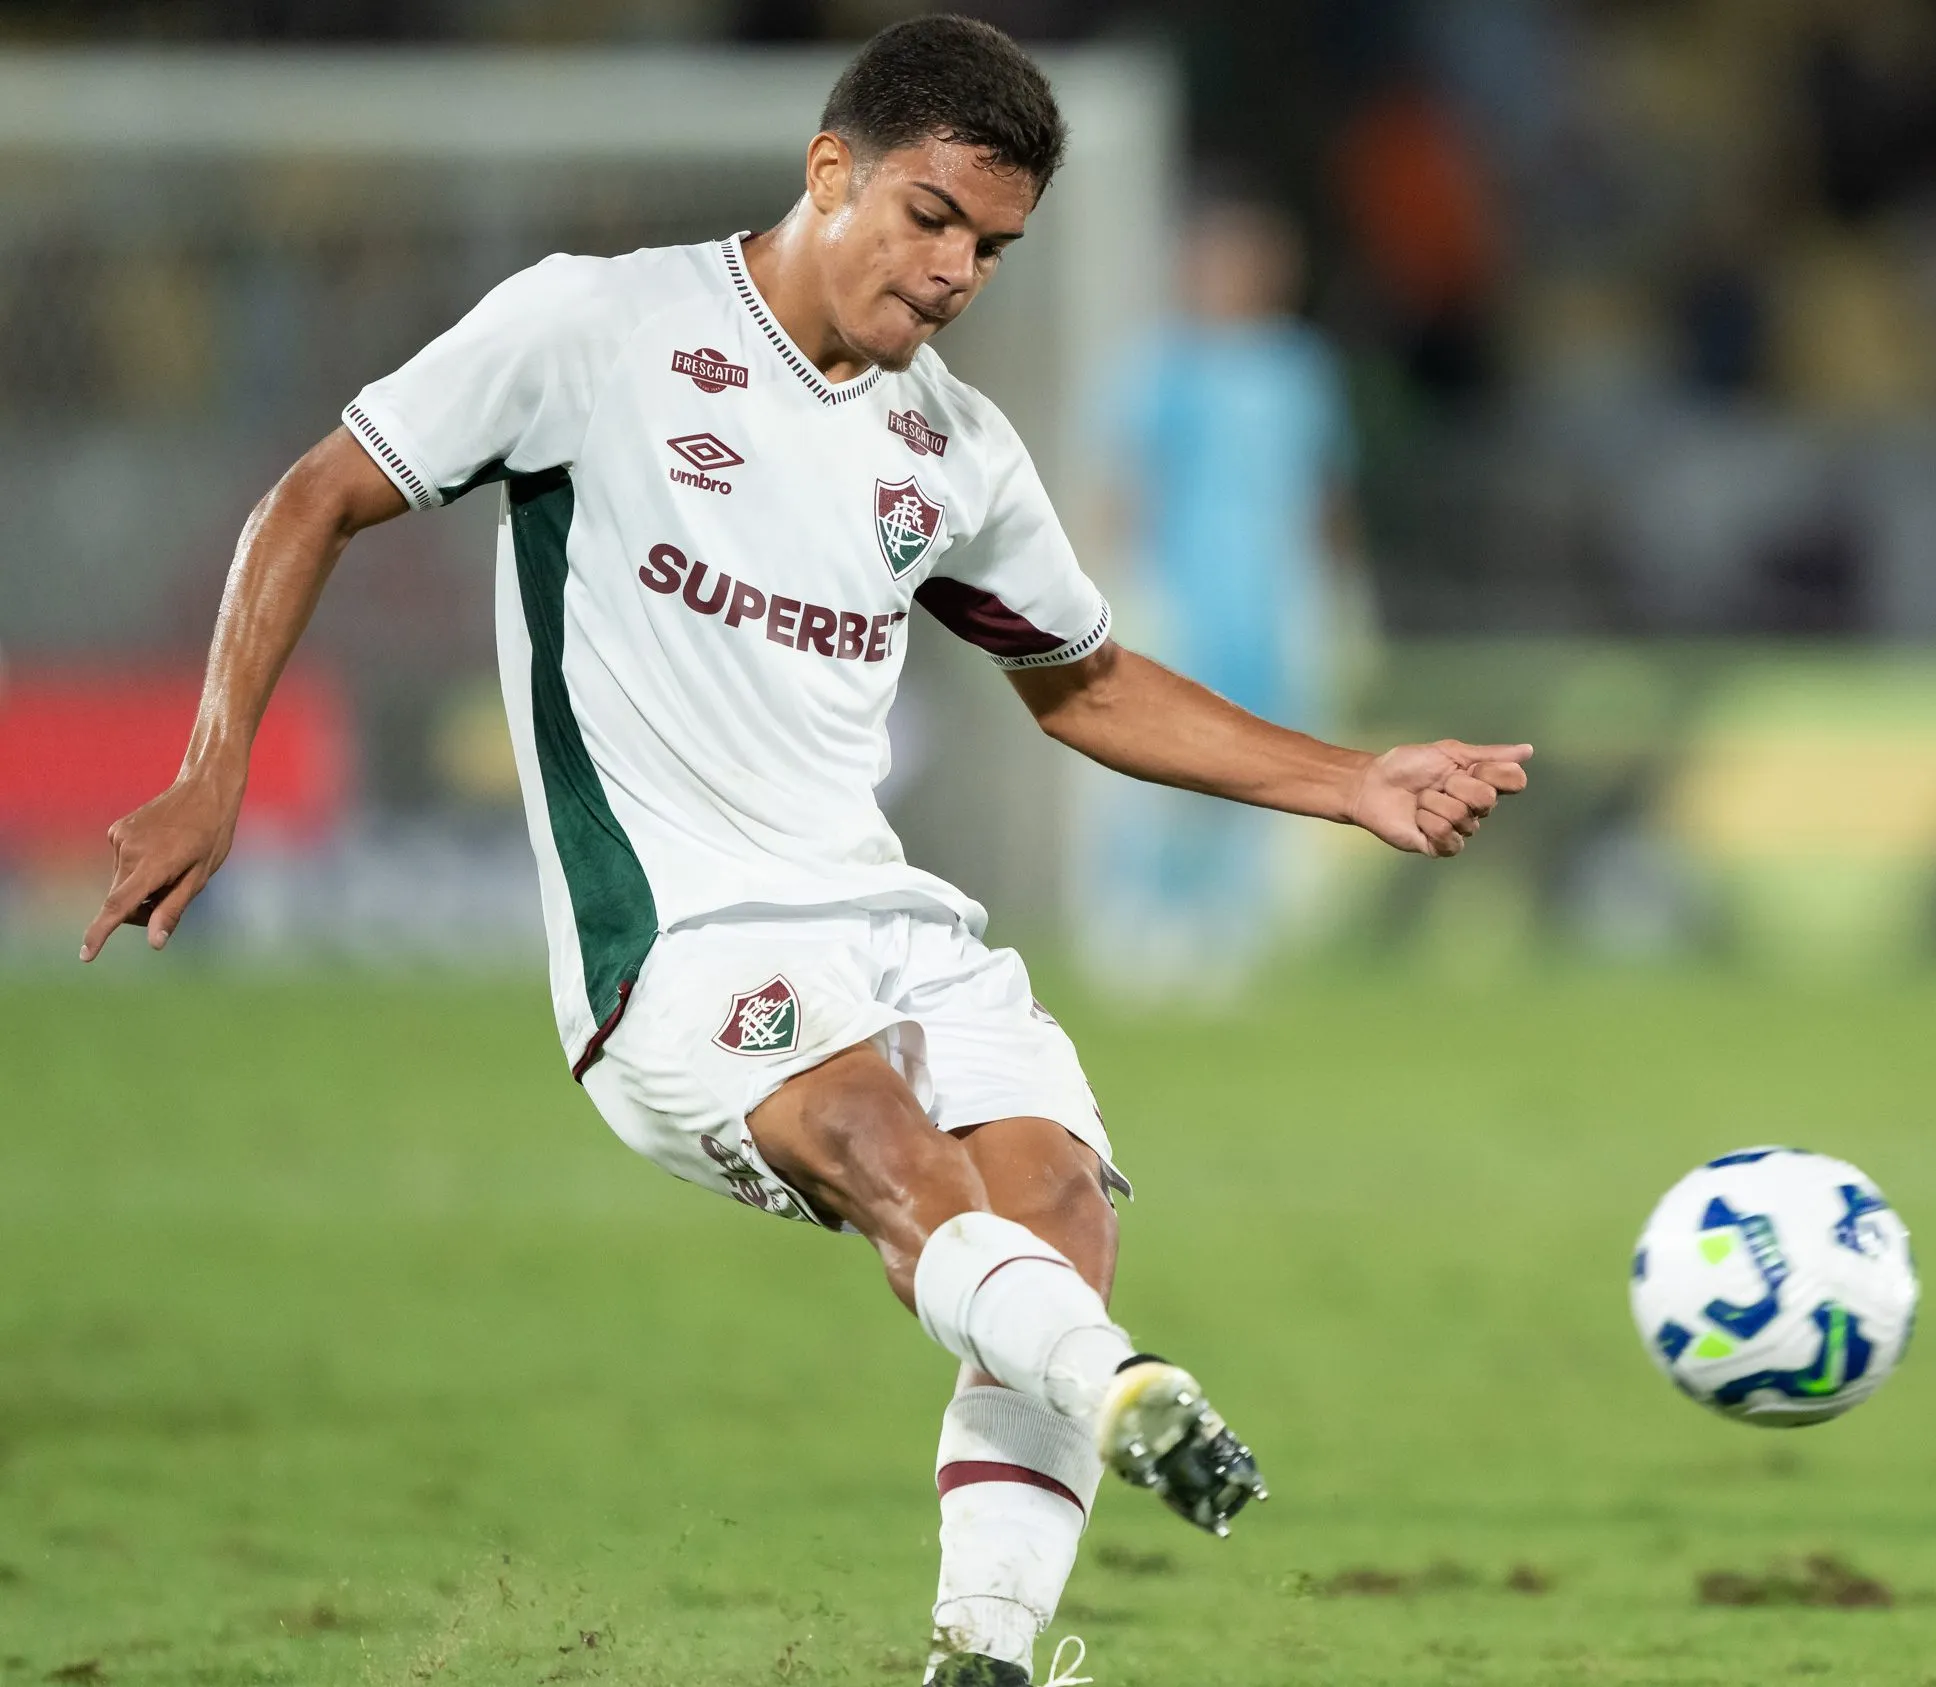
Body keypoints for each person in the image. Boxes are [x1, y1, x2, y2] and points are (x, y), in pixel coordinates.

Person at [78, 20, 1530, 1687]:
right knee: (885, 1148)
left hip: (884, 913)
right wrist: (211, 767)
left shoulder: (954, 449)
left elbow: (1084, 681)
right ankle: (1126, 1388)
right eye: (932, 216)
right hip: (676, 938)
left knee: (1058, 1203)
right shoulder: (595, 326)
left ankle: (982, 1654)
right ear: (832, 169)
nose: (959, 268)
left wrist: (1354, 781)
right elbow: (318, 494)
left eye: (995, 245)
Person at [1088, 196, 1355, 999]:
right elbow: (1128, 481)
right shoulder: (1164, 365)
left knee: (1262, 755)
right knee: (1169, 757)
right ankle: (1141, 916)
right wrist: (1122, 587)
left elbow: (1322, 489)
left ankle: (1230, 923)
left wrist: (1337, 590)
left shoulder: (1298, 367)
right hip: (1186, 592)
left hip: (1269, 600)